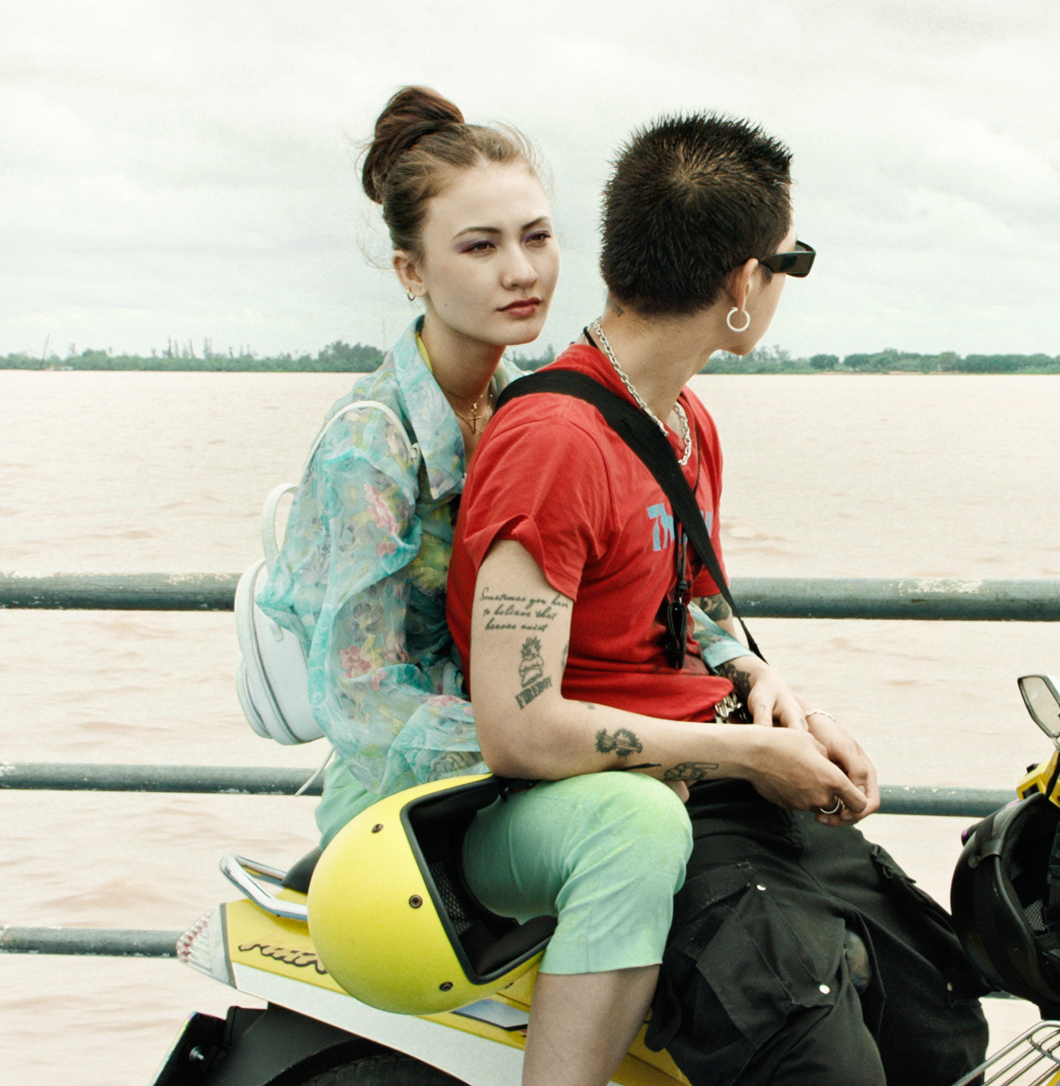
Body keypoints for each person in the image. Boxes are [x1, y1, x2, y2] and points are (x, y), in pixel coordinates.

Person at [449, 113, 990, 1086]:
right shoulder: (554, 445)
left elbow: (685, 614)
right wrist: (753, 753)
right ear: (743, 284)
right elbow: (517, 729)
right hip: (623, 802)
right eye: (792, 263)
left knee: (937, 1021)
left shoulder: (685, 424)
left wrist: (775, 694)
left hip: (724, 777)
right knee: (818, 1067)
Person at [258, 87, 760, 1086]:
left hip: (524, 764)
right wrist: (554, 746)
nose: (522, 271)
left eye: (536, 237)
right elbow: (361, 697)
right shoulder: (373, 445)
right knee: (639, 822)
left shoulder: (527, 405)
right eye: (479, 247)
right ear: (411, 271)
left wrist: (732, 667)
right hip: (417, 803)